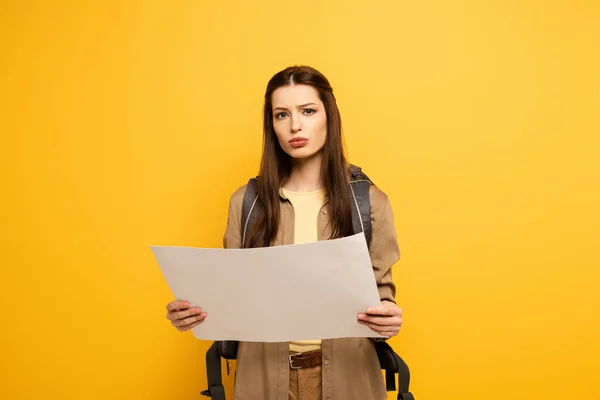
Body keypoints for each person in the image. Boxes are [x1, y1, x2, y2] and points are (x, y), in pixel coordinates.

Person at [165, 65, 403, 400]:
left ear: (329, 117)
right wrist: (193, 313)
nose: (295, 125)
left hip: (350, 377)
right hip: (262, 378)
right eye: (281, 114)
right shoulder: (246, 202)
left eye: (308, 111)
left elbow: (382, 298)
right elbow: (231, 297)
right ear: (271, 125)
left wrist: (388, 319)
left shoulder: (369, 202)